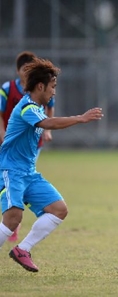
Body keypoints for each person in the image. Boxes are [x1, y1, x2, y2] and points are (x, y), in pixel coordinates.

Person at [0, 57, 103, 272]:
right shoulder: (27, 107)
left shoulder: (37, 106)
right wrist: (81, 118)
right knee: (13, 218)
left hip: (28, 172)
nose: (54, 92)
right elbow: (48, 123)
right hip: (10, 171)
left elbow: (47, 120)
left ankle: (23, 250)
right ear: (40, 86)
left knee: (59, 209)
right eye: (53, 87)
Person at [0, 51, 56, 243]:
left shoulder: (41, 99)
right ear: (18, 71)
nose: (27, 72)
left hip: (26, 160)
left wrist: (47, 131)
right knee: (12, 208)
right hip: (9, 154)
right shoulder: (10, 91)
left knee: (58, 208)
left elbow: (50, 112)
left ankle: (19, 243)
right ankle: (11, 218)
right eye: (25, 69)